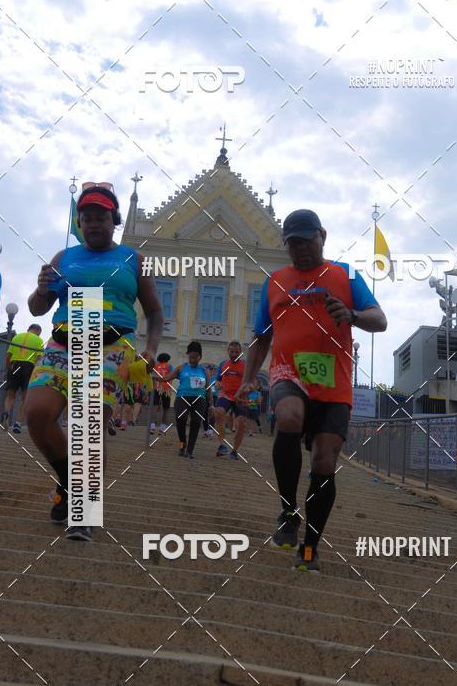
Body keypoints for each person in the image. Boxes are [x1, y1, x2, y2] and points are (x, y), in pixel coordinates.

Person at [237, 208, 387, 572]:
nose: (301, 249)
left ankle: (310, 547)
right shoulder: (274, 281)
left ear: (323, 235)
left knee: (324, 461)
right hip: (289, 372)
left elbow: (379, 320)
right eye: (293, 244)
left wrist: (352, 316)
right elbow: (261, 338)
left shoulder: (344, 274)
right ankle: (288, 511)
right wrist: (247, 378)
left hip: (334, 383)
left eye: (307, 241)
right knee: (288, 416)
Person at [25, 182, 163, 541]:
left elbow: (154, 311)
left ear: (114, 220)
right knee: (37, 413)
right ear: (80, 223)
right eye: (87, 218)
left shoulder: (132, 259)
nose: (94, 224)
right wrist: (42, 289)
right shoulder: (64, 257)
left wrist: (149, 348)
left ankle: (84, 510)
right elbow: (37, 308)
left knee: (89, 422)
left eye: (101, 217)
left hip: (110, 344)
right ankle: (70, 480)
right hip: (63, 339)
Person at [162, 341, 209, 458]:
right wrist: (153, 375)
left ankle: (190, 450)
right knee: (181, 419)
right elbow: (166, 378)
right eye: (191, 357)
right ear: (188, 355)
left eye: (195, 357)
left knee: (196, 422)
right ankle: (182, 444)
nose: (192, 360)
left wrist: (211, 403)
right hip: (182, 397)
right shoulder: (181, 368)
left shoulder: (204, 371)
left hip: (199, 399)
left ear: (200, 357)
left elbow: (208, 388)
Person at [1, 324, 44, 433]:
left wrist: (9, 368)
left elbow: (8, 356)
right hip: (29, 367)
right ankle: (18, 423)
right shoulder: (39, 340)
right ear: (38, 331)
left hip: (14, 365)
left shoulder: (17, 337)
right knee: (25, 397)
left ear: (28, 329)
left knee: (11, 395)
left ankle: (6, 413)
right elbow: (39, 360)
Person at [214, 341, 248, 459]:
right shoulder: (223, 364)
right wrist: (217, 384)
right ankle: (222, 445)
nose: (234, 354)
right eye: (232, 351)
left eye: (236, 352)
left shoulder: (245, 365)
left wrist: (250, 387)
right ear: (228, 351)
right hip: (225, 395)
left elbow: (252, 381)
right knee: (218, 413)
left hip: (240, 397)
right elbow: (218, 379)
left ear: (241, 352)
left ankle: (234, 450)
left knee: (242, 423)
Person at [151, 352, 174, 434]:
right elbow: (172, 376)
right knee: (166, 409)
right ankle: (163, 427)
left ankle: (152, 425)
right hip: (166, 389)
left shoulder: (155, 366)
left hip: (156, 387)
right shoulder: (170, 366)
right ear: (167, 359)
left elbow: (152, 377)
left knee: (154, 407)